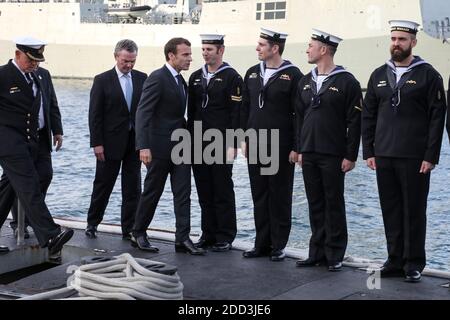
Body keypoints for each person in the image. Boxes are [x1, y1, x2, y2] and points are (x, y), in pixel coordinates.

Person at [362, 20, 447, 283]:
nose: (396, 44)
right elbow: (368, 116)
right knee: (390, 209)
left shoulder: (428, 75)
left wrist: (430, 156)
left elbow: (437, 117)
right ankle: (395, 259)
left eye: (401, 39)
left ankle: (413, 263)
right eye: (394, 39)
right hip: (384, 154)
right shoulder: (378, 75)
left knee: (414, 211)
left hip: (414, 157)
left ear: (413, 42)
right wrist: (369, 151)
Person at [295, 30, 362, 272]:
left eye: (311, 46)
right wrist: (299, 149)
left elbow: (355, 122)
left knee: (334, 203)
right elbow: (299, 119)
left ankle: (335, 254)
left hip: (333, 153)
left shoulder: (347, 82)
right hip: (309, 152)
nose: (307, 49)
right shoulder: (304, 81)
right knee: (315, 203)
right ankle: (316, 252)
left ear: (323, 50)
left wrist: (351, 155)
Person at [0, 36, 73, 254]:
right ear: (17, 54)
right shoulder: (3, 76)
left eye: (37, 60)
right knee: (28, 184)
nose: (34, 64)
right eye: (30, 59)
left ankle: (33, 222)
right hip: (9, 141)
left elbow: (50, 103)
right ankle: (50, 235)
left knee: (33, 178)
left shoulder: (42, 75)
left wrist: (56, 129)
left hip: (37, 138)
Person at [132, 38, 205, 255]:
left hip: (180, 147)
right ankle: (138, 233)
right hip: (158, 148)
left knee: (183, 193)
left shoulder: (180, 81)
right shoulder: (158, 78)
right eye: (185, 55)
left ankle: (182, 238)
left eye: (190, 54)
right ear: (171, 56)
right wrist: (143, 146)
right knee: (152, 192)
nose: (190, 58)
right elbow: (143, 112)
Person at [241, 28, 303, 261]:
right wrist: (244, 138)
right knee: (259, 195)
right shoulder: (251, 73)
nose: (257, 48)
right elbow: (245, 109)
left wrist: (296, 147)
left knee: (279, 195)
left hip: (281, 145)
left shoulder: (294, 75)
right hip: (255, 143)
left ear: (275, 48)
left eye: (261, 45)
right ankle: (261, 243)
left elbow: (299, 115)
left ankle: (278, 245)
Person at [86, 39, 147, 240]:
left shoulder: (142, 78)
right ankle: (92, 223)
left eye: (132, 61)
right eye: (125, 61)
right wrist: (96, 143)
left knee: (133, 188)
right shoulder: (102, 80)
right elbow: (95, 115)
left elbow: (145, 112)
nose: (129, 65)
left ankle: (128, 228)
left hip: (134, 143)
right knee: (103, 185)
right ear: (116, 57)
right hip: (109, 143)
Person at [188, 34, 242, 252]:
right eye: (203, 49)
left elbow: (236, 113)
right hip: (197, 142)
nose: (205, 53)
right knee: (204, 191)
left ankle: (225, 235)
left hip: (221, 142)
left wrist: (234, 143)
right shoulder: (195, 77)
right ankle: (207, 233)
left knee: (222, 190)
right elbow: (191, 113)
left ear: (221, 50)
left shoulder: (232, 78)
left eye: (209, 49)